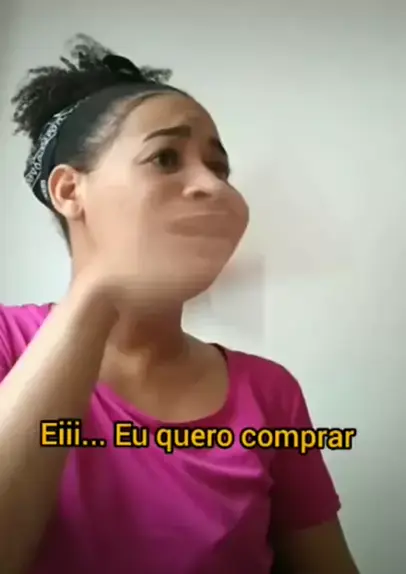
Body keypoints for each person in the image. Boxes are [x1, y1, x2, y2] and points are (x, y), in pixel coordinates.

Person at [0, 34, 359, 574]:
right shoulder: (7, 344)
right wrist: (100, 291)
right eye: (165, 158)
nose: (213, 187)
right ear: (70, 191)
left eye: (219, 169)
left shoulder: (269, 394)